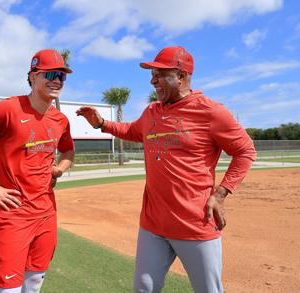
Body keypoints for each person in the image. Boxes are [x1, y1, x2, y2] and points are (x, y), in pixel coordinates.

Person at [76, 46, 256, 293]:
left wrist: (221, 193)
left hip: (195, 224)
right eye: (153, 74)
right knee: (144, 289)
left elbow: (245, 151)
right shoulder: (152, 111)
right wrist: (103, 124)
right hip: (153, 224)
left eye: (160, 74)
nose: (153, 80)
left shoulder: (211, 112)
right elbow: (133, 131)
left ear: (181, 76)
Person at [0, 49, 75, 293]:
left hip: (46, 214)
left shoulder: (60, 120)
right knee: (9, 288)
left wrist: (58, 170)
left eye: (61, 76)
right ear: (32, 76)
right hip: (12, 214)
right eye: (50, 74)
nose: (56, 80)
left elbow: (68, 153)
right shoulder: (8, 109)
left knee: (34, 283)